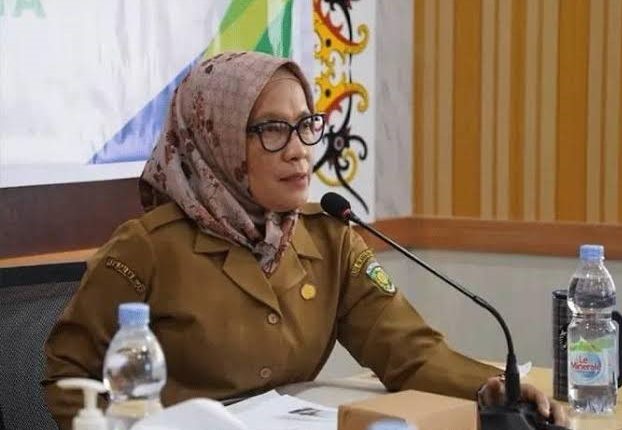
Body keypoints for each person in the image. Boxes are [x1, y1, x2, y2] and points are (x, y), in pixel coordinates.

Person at [42, 51, 567, 429]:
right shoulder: (148, 247)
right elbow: (67, 375)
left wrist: (489, 388)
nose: (299, 150)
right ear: (216, 141)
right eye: (272, 129)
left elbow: (406, 349)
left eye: (305, 125)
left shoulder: (329, 237)